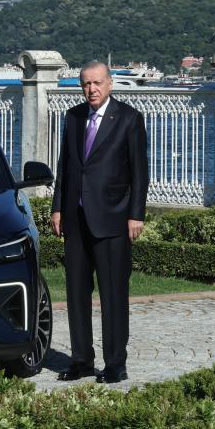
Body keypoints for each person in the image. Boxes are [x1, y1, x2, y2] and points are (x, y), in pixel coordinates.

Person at [50, 61, 147, 383]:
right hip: (75, 218)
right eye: (86, 84)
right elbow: (65, 166)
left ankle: (115, 363)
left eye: (97, 83)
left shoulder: (129, 118)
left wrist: (136, 214)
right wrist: (58, 208)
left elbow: (139, 172)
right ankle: (81, 360)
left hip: (113, 218)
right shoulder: (74, 117)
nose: (91, 89)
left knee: (113, 295)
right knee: (77, 294)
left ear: (110, 84)